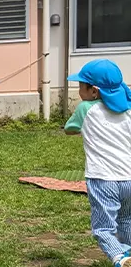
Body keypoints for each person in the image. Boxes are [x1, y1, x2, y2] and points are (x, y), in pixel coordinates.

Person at [64, 59, 131, 267]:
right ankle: (128, 249)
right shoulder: (128, 110)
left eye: (80, 86)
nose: (78, 91)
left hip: (102, 179)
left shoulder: (86, 109)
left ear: (94, 91)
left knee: (103, 228)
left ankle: (120, 257)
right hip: (128, 178)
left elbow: (69, 129)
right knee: (126, 220)